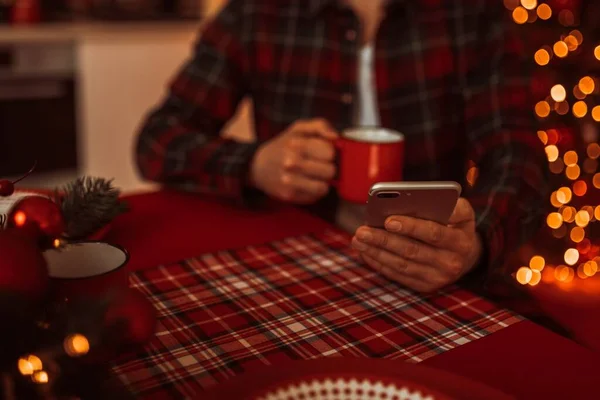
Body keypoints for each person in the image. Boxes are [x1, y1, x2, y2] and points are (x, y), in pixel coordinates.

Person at [135, 0, 548, 296]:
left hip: (431, 266)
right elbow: (157, 140)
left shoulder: (471, 13)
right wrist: (255, 163)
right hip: (293, 265)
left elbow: (518, 155)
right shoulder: (255, 13)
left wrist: (474, 240)